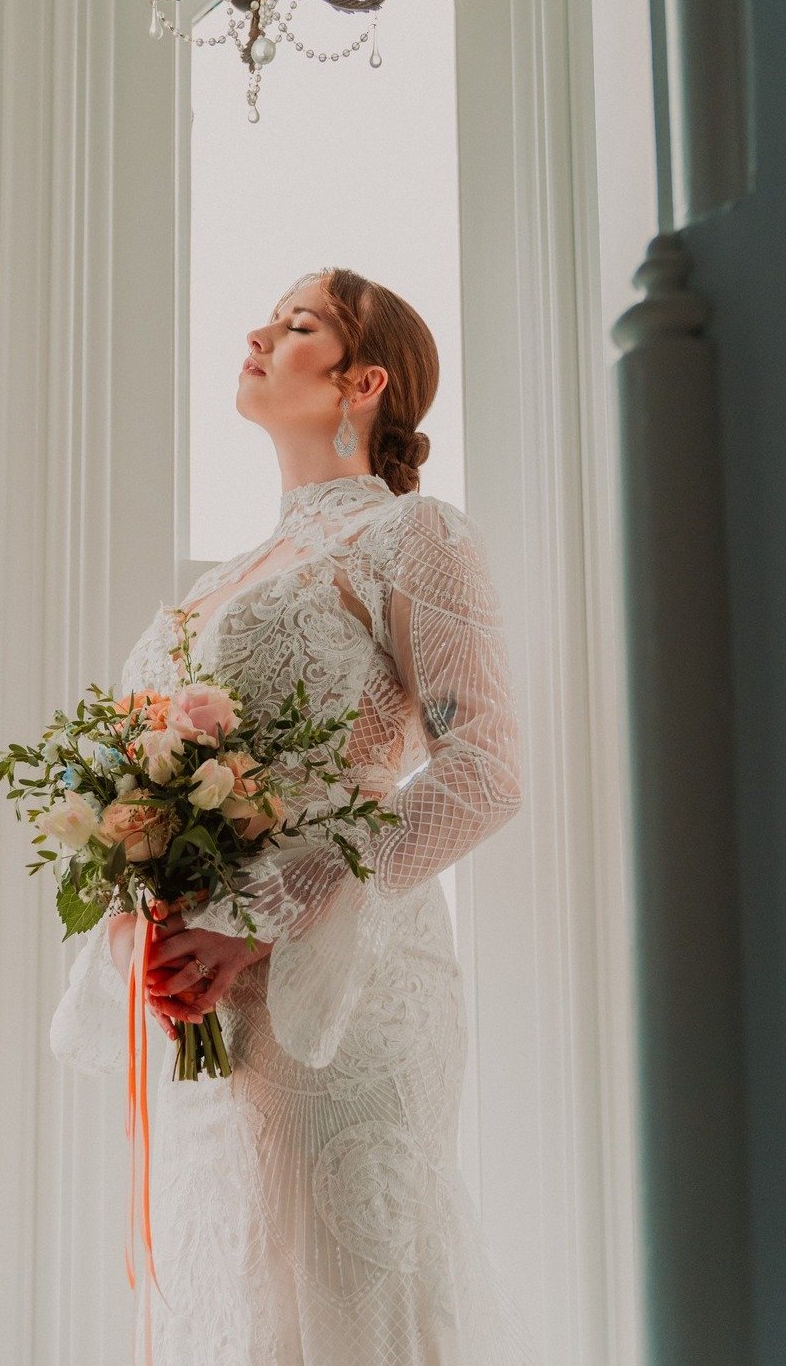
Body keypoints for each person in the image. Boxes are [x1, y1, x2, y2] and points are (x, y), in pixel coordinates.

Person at [49, 265, 538, 1365]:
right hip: (211, 1011)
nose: (259, 332)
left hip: (350, 992)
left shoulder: (414, 537)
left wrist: (261, 909)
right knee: (232, 1293)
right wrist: (159, 911)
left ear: (363, 382)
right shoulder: (222, 577)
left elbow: (488, 767)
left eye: (297, 321)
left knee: (345, 1295)